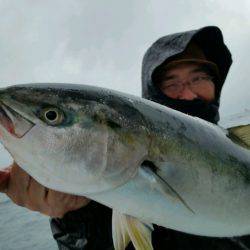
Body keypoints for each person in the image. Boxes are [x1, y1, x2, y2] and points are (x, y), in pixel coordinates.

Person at [1, 25, 250, 250]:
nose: (186, 93)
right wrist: (76, 222)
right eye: (171, 82)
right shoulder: (97, 201)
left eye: (198, 78)